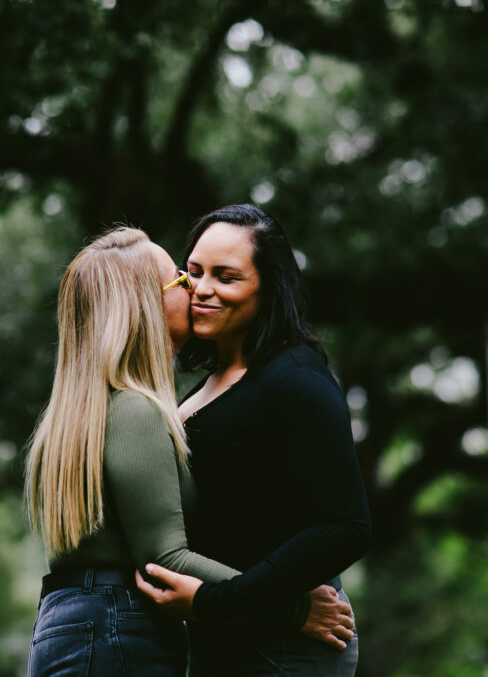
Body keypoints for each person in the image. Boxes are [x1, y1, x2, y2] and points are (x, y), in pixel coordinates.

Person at [25, 227, 351, 677]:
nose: (196, 288)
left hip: (73, 624)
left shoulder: (85, 411)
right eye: (182, 277)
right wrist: (292, 607)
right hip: (117, 628)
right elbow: (166, 558)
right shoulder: (135, 410)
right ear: (145, 303)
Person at [135, 204, 372, 676]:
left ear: (268, 287)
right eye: (194, 272)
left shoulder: (295, 378)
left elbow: (345, 527)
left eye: (226, 277)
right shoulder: (211, 382)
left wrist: (217, 600)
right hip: (231, 638)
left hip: (284, 647)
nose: (202, 290)